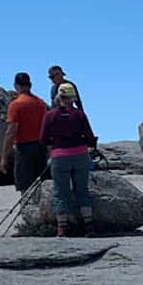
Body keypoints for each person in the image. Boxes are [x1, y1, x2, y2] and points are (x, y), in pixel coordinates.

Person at [40, 83, 98, 237]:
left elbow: (43, 139)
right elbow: (90, 138)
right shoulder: (79, 115)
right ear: (73, 97)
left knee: (61, 192)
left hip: (60, 156)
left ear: (59, 96)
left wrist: (56, 143)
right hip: (80, 155)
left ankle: (62, 228)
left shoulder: (50, 115)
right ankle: (89, 226)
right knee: (82, 190)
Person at [1, 72, 49, 193]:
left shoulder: (16, 105)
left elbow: (11, 132)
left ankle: (27, 211)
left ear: (16, 86)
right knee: (41, 184)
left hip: (24, 149)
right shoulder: (41, 103)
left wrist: (4, 157)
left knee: (25, 187)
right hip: (41, 147)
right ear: (30, 85)